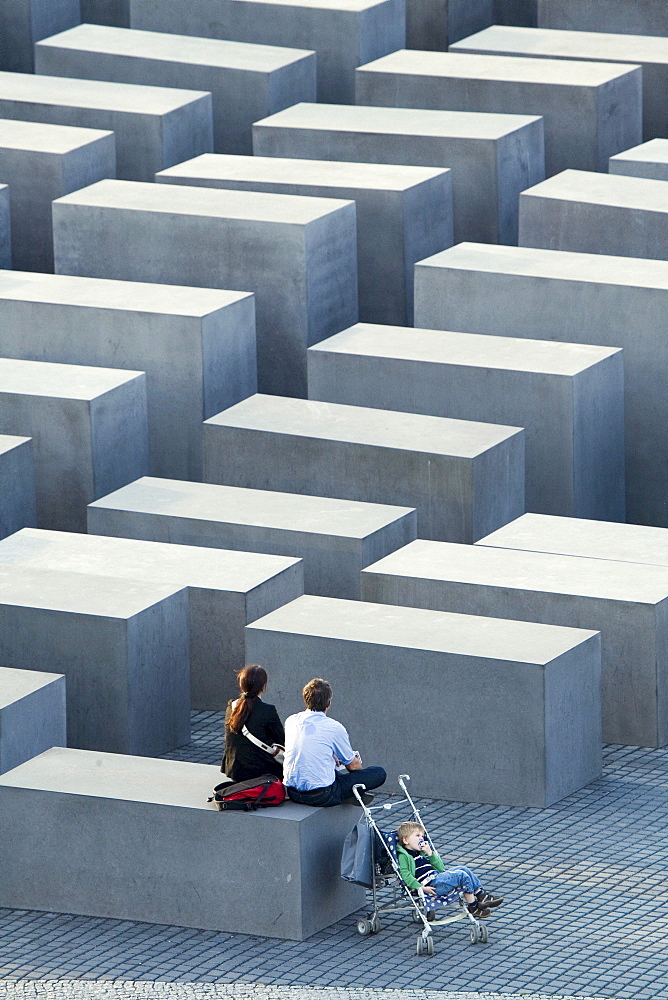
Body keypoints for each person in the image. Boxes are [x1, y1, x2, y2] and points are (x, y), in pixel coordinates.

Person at [283, 677, 386, 807]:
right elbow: (352, 766)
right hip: (322, 795)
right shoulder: (334, 727)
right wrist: (361, 775)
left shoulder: (291, 721)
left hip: (293, 792)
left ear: (305, 699)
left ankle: (348, 791)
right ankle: (350, 793)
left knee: (330, 771)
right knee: (378, 773)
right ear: (329, 703)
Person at [396, 821, 504, 918]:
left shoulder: (420, 853)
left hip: (437, 878)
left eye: (422, 836)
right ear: (406, 840)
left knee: (463, 869)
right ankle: (473, 906)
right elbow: (406, 876)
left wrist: (430, 853)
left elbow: (441, 868)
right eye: (417, 835)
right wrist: (421, 888)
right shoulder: (404, 856)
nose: (421, 838)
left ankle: (481, 895)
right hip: (431, 885)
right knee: (461, 875)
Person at [222, 664, 284, 782]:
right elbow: (282, 740)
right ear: (263, 687)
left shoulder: (232, 706)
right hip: (260, 772)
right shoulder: (268, 710)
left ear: (241, 684)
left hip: (234, 769)